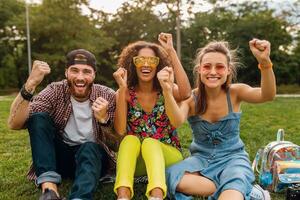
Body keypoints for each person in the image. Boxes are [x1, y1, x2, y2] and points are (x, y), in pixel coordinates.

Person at [158, 39, 276, 200]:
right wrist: (166, 90)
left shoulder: (235, 92)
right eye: (207, 66)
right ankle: (243, 188)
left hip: (233, 159)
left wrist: (265, 63)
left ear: (228, 70)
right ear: (199, 69)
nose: (213, 71)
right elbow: (176, 121)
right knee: (170, 176)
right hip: (200, 160)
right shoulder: (192, 99)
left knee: (231, 192)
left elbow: (267, 95)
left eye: (220, 67)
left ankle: (236, 185)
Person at [7, 49, 120, 200]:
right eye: (74, 70)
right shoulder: (55, 90)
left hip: (94, 160)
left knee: (89, 147)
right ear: (66, 72)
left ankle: (79, 197)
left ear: (94, 75)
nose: (80, 77)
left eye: (86, 71)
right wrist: (30, 84)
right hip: (61, 159)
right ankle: (50, 191)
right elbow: (14, 124)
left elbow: (117, 145)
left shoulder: (107, 95)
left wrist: (103, 120)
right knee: (38, 117)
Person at [112, 33, 191, 200]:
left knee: (150, 142)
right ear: (132, 64)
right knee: (129, 139)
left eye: (152, 61)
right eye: (140, 60)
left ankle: (156, 195)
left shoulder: (165, 88)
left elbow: (185, 93)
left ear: (158, 65)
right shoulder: (125, 93)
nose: (146, 64)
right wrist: (121, 89)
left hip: (168, 156)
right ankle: (123, 195)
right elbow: (119, 130)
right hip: (138, 163)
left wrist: (171, 51)